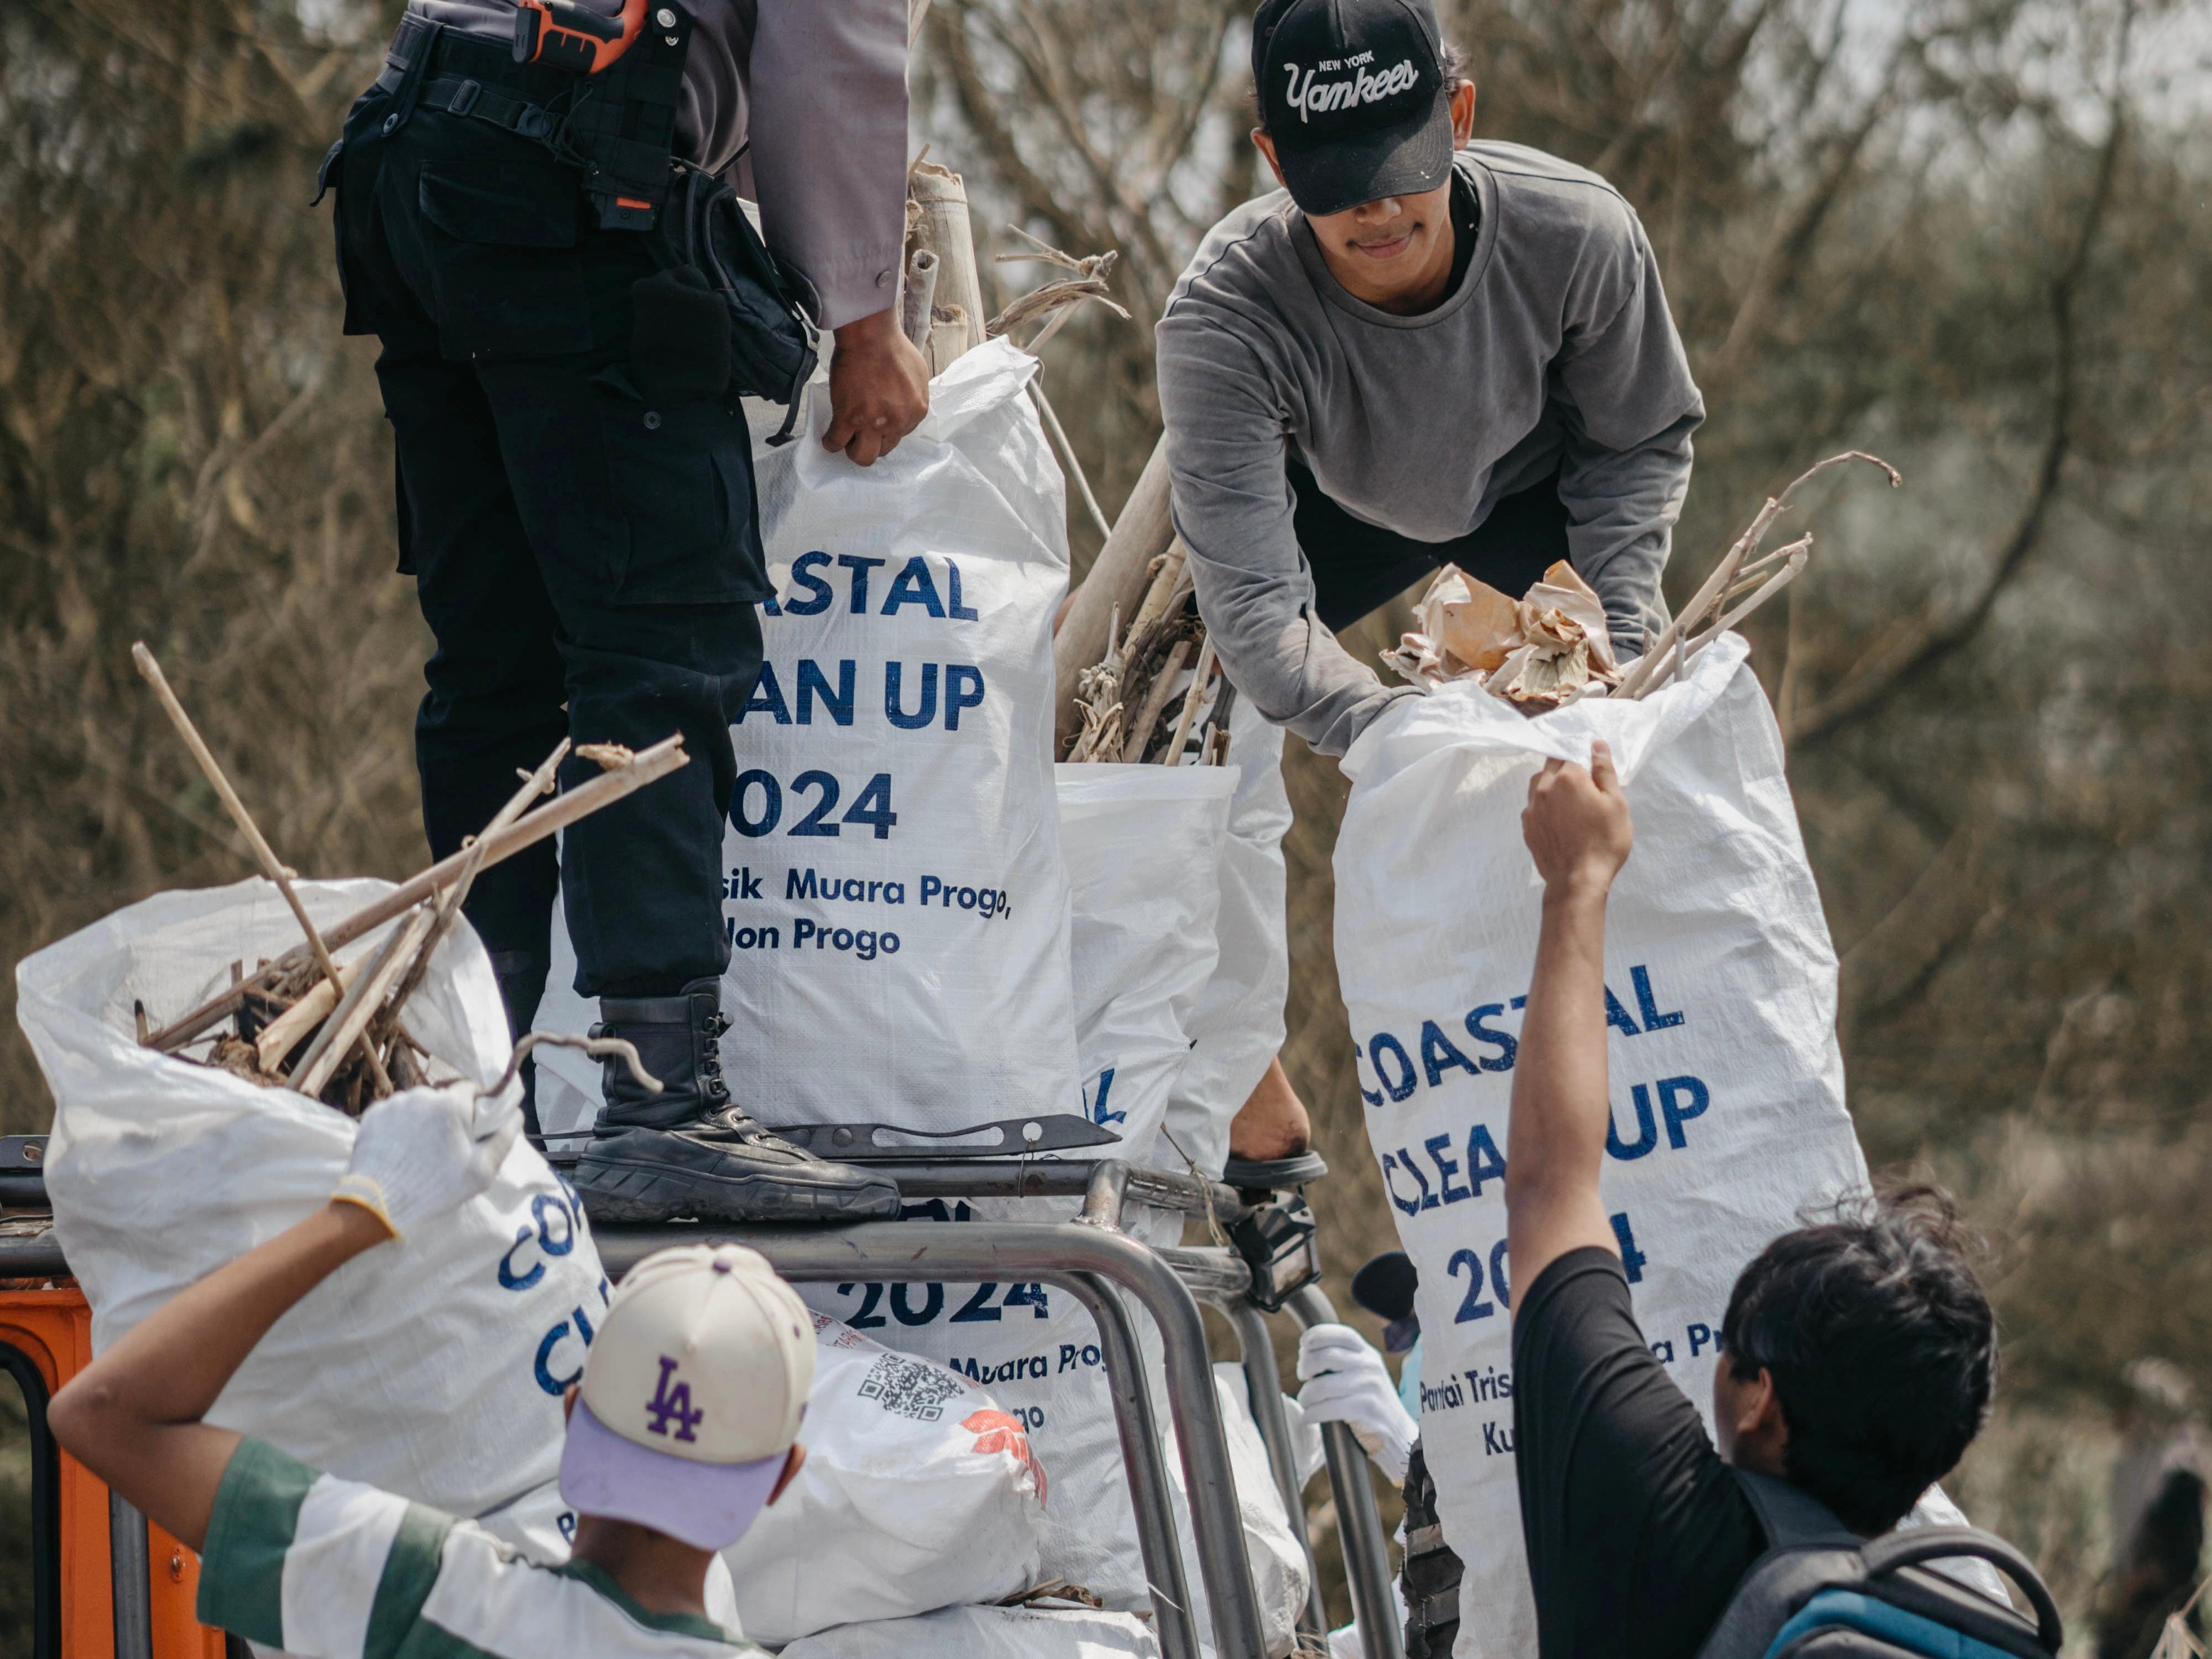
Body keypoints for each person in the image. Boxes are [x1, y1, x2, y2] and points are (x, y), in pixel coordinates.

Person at [323, 0, 926, 1222]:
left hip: (412, 154)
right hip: (563, 179)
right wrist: (866, 321)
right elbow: (830, 54)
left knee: (496, 666)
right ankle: (661, 1100)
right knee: (662, 645)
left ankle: (471, 1089)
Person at [1502, 741, 2016, 1658]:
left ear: (1759, 1403)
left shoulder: (1659, 1512)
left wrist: (1577, 882)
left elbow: (1553, 1185)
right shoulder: (1961, 1613)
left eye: (1731, 1355)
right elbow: (1550, 1190)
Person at [48, 1080, 812, 1656]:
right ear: (781, 1477)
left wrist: (359, 1217)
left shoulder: (429, 1592)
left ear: (572, 1411)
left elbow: (103, 1412)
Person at [1155, 0, 1703, 762]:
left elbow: (1633, 442)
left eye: (1399, 165)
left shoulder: (1579, 234)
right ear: (1277, 161)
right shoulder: (1225, 320)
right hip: (1324, 508)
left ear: (1458, 116)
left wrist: (1618, 652)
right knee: (1162, 690)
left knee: (1652, 722)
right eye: (1338, 180)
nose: (1376, 210)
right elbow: (1254, 603)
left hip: (1532, 492)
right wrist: (1398, 740)